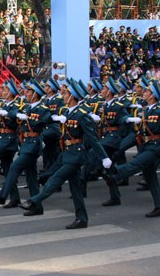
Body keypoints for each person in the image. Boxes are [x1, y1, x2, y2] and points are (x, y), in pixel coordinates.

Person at [20, 79, 112, 229]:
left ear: (73, 96)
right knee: (75, 188)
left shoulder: (82, 114)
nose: (63, 95)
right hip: (67, 153)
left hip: (77, 154)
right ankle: (81, 218)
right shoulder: (65, 111)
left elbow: (93, 138)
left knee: (56, 179)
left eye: (66, 93)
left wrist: (104, 157)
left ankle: (34, 201)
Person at [0, 79, 50, 215]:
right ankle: (37, 206)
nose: (25, 93)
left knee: (15, 167)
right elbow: (11, 113)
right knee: (31, 176)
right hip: (26, 143)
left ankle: (2, 196)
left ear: (35, 94)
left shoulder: (42, 109)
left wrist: (44, 136)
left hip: (33, 144)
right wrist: (17, 114)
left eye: (28, 91)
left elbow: (50, 121)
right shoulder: (27, 107)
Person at [102, 79, 160, 218]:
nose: (144, 93)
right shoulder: (145, 109)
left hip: (156, 146)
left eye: (146, 91)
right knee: (150, 176)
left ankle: (115, 175)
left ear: (153, 95)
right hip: (146, 144)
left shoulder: (158, 110)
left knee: (137, 163)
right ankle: (158, 205)